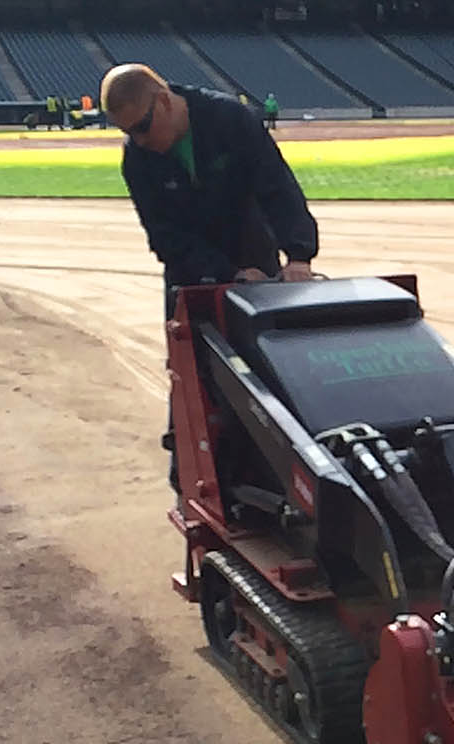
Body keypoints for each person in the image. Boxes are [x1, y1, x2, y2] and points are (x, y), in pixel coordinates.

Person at [99, 63, 321, 488]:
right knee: (195, 380)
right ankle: (192, 482)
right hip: (192, 274)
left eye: (144, 126)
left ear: (163, 100)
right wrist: (227, 273)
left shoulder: (230, 120)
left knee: (267, 374)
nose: (141, 140)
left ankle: (272, 479)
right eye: (130, 132)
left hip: (256, 259)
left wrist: (298, 256)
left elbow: (277, 187)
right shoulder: (139, 159)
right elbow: (165, 238)